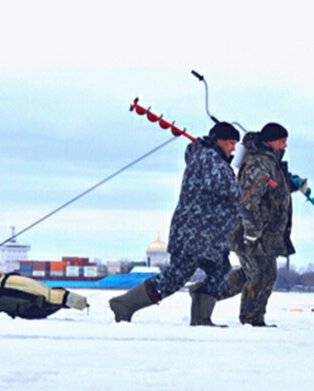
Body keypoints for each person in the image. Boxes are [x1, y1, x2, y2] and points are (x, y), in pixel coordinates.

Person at [109, 121, 242, 324]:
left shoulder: (213, 159)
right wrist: (239, 188)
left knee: (220, 270)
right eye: (231, 143)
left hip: (209, 235)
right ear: (219, 140)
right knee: (176, 277)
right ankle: (125, 304)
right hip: (194, 233)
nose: (233, 148)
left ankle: (202, 318)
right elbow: (226, 187)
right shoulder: (207, 157)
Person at [192, 122, 303, 327]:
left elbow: (273, 190)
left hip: (265, 233)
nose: (285, 146)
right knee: (261, 276)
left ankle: (204, 293)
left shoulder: (271, 162)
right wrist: (252, 231)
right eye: (282, 141)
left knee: (252, 275)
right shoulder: (259, 163)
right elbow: (248, 199)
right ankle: (251, 319)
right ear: (271, 141)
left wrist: (292, 185)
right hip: (251, 232)